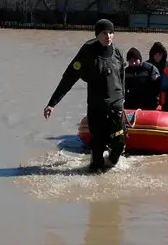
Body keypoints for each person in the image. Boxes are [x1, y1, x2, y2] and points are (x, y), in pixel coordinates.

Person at [43, 19, 127, 173]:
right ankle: (96, 170)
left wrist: (123, 99)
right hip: (97, 107)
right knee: (98, 148)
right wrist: (52, 103)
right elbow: (69, 78)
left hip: (116, 106)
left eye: (111, 32)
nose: (108, 36)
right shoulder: (87, 53)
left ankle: (110, 163)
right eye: (104, 33)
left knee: (119, 143)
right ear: (97, 35)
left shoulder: (117, 53)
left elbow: (122, 77)